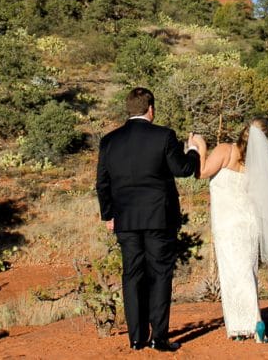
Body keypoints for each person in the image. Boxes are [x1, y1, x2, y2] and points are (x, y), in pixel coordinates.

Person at [95, 87, 203, 352]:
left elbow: (102, 183)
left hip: (126, 219)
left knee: (131, 276)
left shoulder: (109, 141)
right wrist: (193, 151)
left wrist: (109, 215)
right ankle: (159, 337)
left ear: (129, 109)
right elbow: (183, 170)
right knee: (160, 274)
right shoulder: (164, 136)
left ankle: (136, 338)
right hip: (159, 217)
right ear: (150, 109)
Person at [195, 117, 268, 343]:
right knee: (247, 273)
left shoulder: (225, 150)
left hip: (227, 224)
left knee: (232, 274)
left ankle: (250, 324)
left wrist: (199, 147)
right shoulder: (257, 165)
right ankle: (243, 325)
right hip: (249, 224)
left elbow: (201, 172)